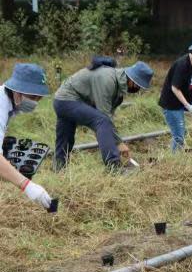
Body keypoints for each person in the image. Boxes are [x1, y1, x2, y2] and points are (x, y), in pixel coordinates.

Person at [53, 60, 153, 171]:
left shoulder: (117, 88)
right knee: (102, 121)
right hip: (68, 100)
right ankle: (114, 167)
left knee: (65, 137)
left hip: (62, 100)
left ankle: (59, 168)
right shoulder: (107, 79)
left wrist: (108, 138)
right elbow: (104, 117)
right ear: (133, 80)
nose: (138, 89)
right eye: (139, 86)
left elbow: (107, 120)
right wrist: (119, 143)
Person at [0, 63, 52, 209]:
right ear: (17, 92)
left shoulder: (9, 103)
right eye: (32, 96)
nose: (35, 101)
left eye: (39, 98)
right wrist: (27, 185)